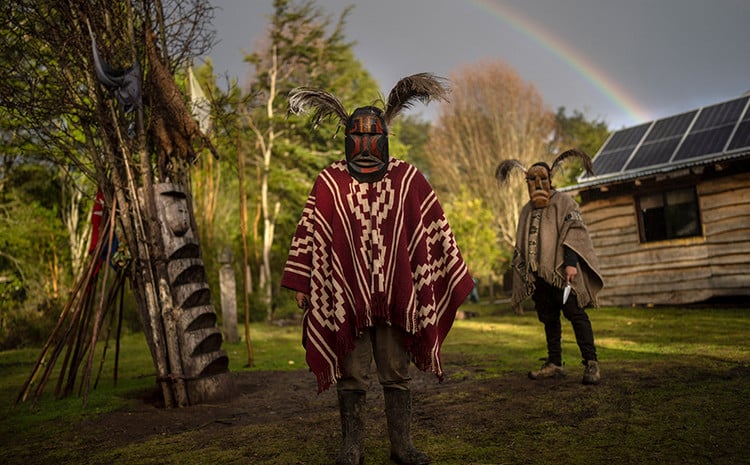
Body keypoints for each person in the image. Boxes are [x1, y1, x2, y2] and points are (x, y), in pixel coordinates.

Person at [281, 73, 474, 465]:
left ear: (386, 138)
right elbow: (310, 232)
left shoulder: (407, 179)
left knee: (396, 371)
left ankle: (400, 445)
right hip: (345, 299)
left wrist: (439, 278)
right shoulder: (330, 182)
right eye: (358, 137)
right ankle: (351, 448)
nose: (365, 144)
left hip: (397, 297)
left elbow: (432, 231)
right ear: (346, 138)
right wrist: (305, 281)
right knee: (351, 373)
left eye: (373, 137)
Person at [496, 150, 604, 385]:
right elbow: (522, 243)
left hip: (562, 272)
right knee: (549, 319)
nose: (537, 184)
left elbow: (574, 233)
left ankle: (591, 363)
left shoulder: (564, 203)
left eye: (542, 178)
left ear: (550, 177)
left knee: (576, 314)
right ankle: (555, 363)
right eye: (531, 180)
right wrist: (527, 273)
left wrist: (571, 263)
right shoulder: (526, 210)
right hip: (539, 276)